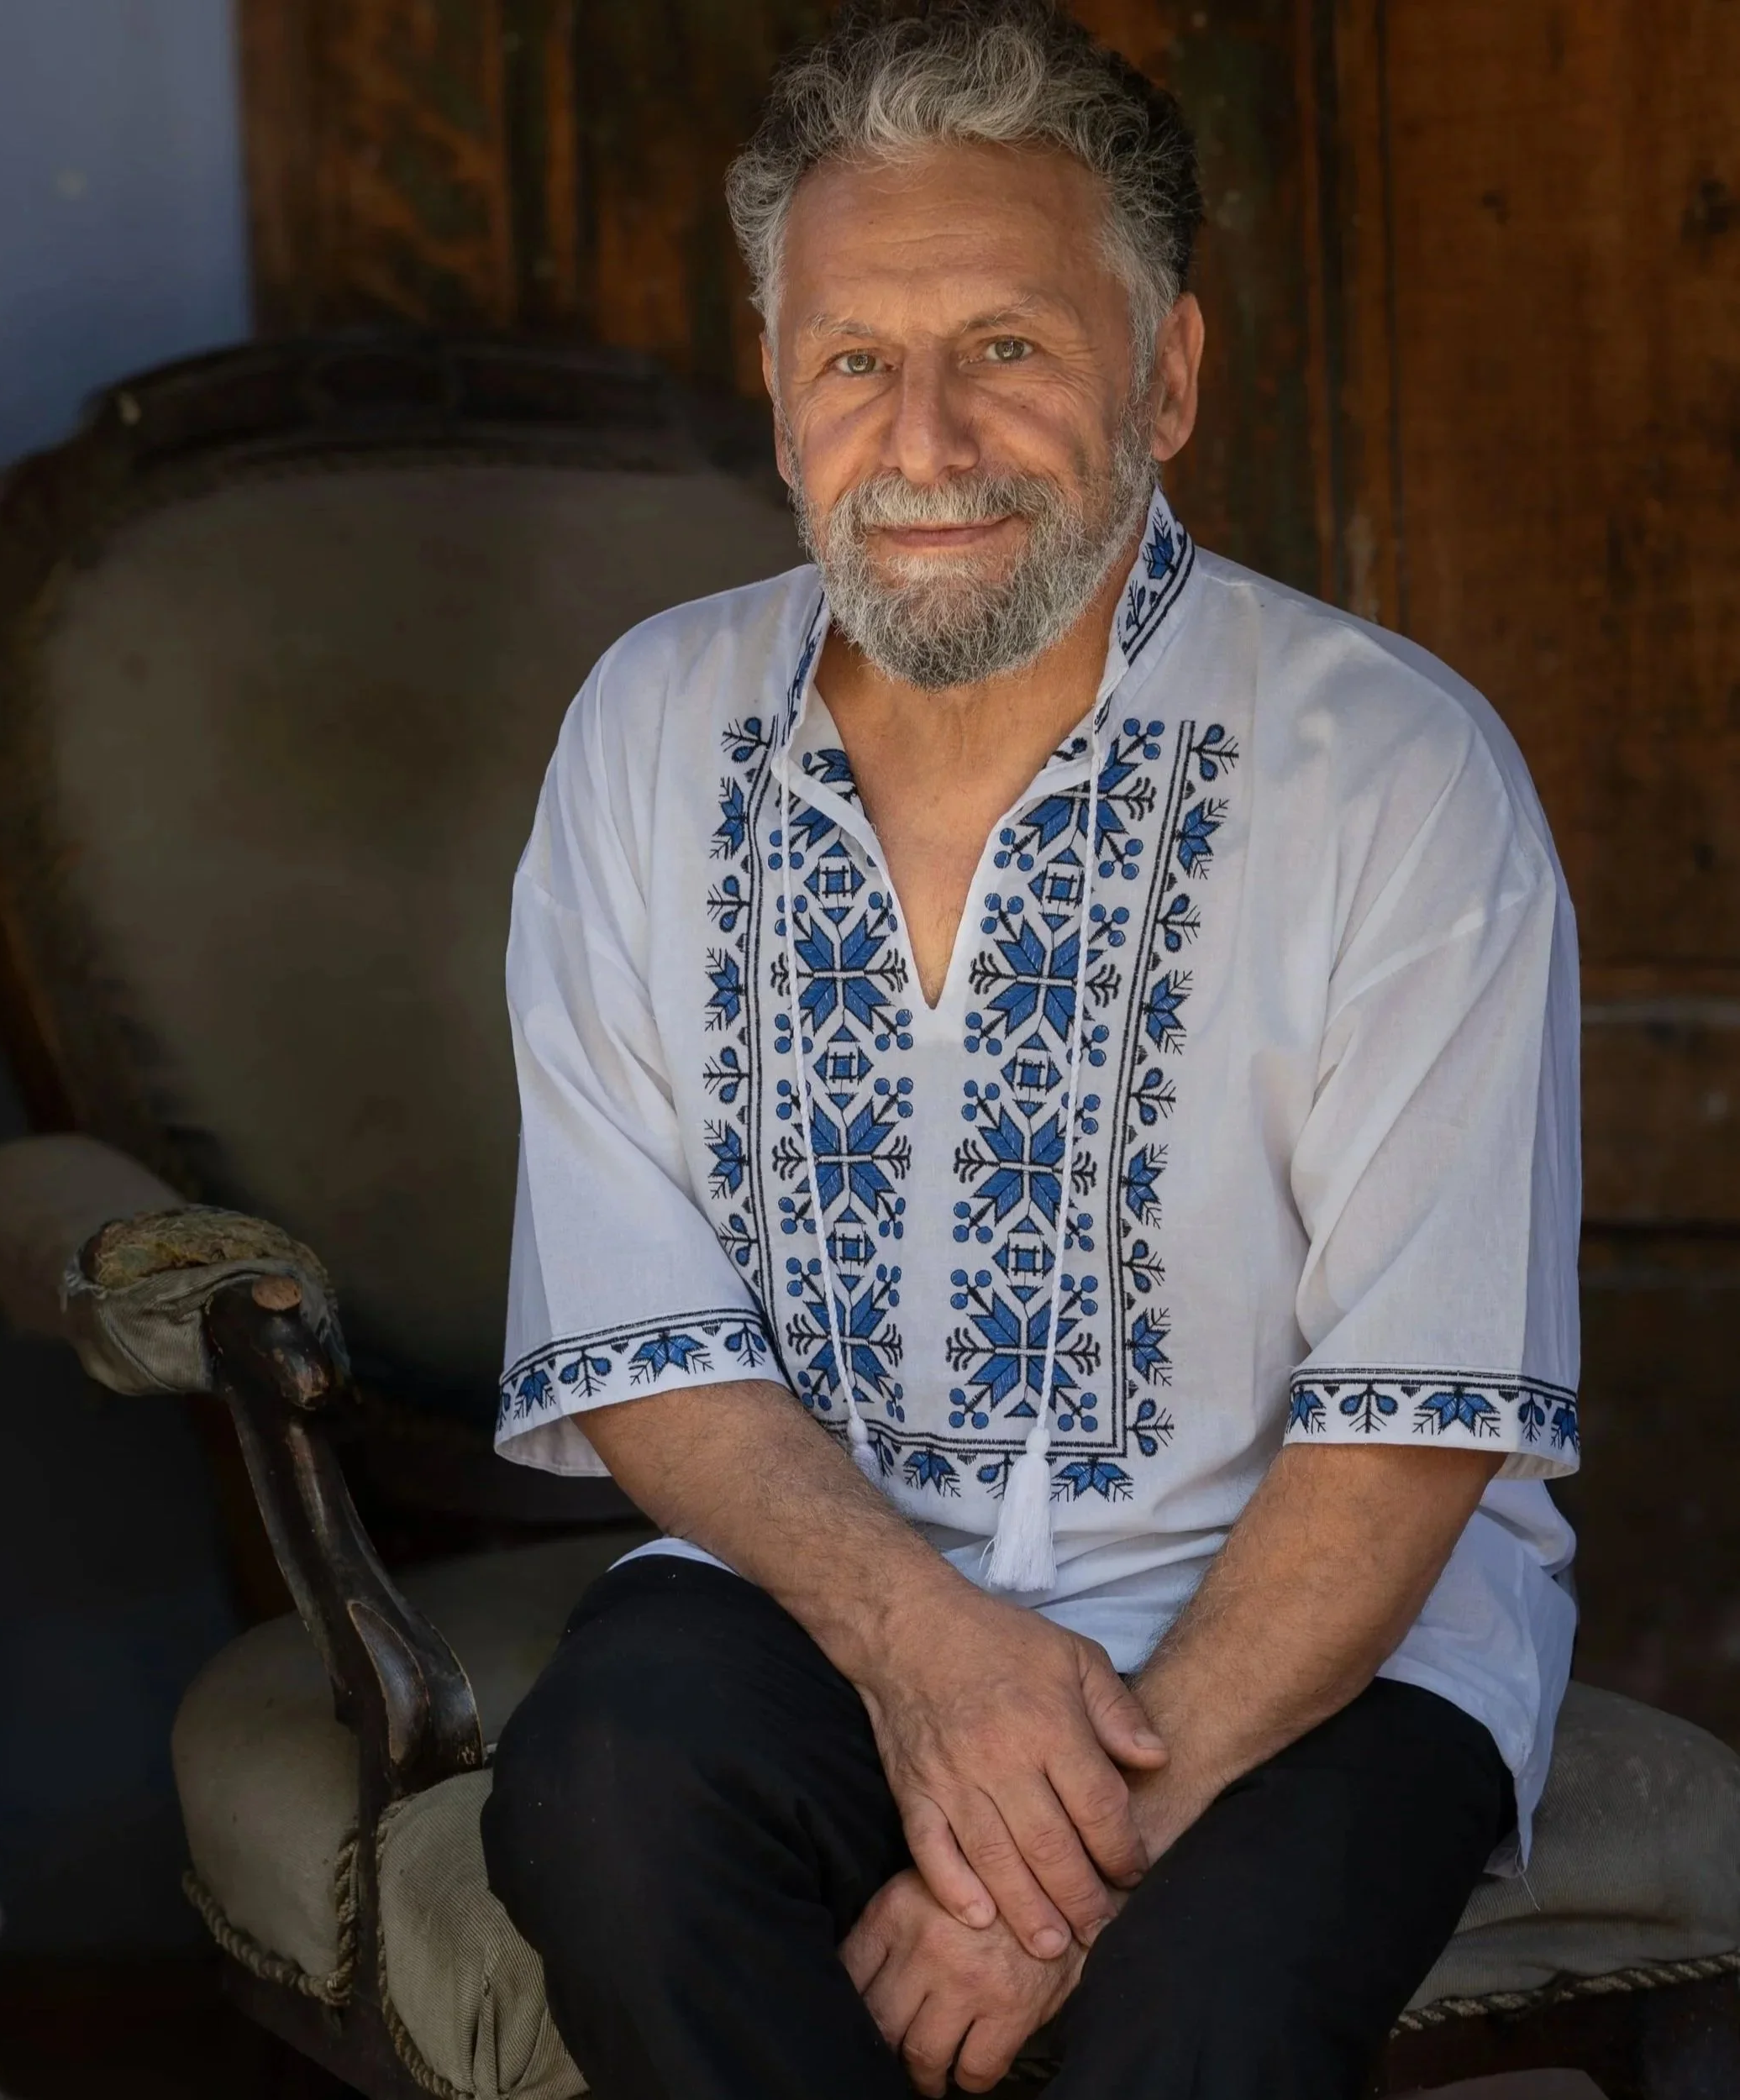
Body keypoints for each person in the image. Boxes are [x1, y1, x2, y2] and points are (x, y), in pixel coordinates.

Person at [480, 5, 1580, 2094]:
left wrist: (1057, 1862)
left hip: (1306, 1637)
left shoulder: (1391, 770)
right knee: (607, 1794)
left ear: (1163, 375)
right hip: (819, 1586)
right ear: (777, 387)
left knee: (1193, 2015)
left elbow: (1411, 1420)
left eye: (1004, 346)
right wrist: (920, 1647)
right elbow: (643, 1337)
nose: (919, 441)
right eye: (852, 359)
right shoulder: (643, 726)